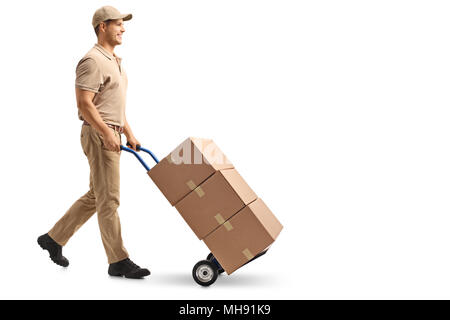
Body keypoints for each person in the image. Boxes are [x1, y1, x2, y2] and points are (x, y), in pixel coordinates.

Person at [37, 6, 150, 279]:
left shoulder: (115, 61)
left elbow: (115, 107)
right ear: (102, 26)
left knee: (97, 195)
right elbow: (84, 104)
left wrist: (128, 132)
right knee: (109, 199)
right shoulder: (92, 61)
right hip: (99, 135)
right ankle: (118, 260)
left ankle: (53, 238)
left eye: (123, 25)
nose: (123, 28)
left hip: (112, 132)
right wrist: (108, 134)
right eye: (118, 24)